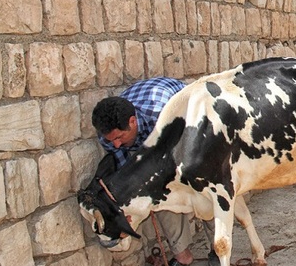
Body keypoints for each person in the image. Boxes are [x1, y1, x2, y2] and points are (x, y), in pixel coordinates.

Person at [92, 77, 219, 266]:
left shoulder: (162, 117)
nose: (115, 144)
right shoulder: (110, 137)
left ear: (133, 122)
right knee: (158, 193)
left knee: (206, 188)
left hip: (191, 121)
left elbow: (187, 154)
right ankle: (182, 256)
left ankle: (218, 249)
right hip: (157, 132)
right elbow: (131, 173)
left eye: (119, 137)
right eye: (111, 140)